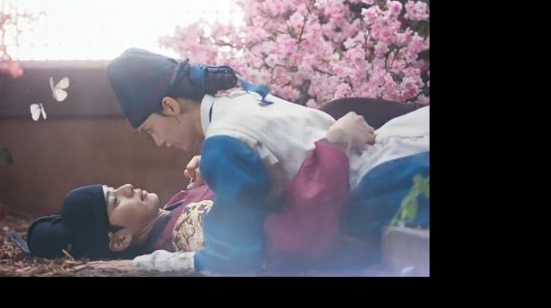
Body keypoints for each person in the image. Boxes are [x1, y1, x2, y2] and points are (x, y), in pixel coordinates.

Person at [95, 48, 429, 274]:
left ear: (170, 106)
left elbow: (232, 256)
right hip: (395, 145)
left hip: (382, 188)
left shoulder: (223, 144)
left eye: (150, 131)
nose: (159, 142)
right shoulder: (236, 96)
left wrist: (147, 264)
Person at [25, 111, 387, 273]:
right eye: (115, 200)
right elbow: (292, 235)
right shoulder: (190, 231)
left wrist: (216, 170)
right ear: (119, 241)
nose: (127, 186)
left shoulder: (175, 210)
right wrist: (334, 147)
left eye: (114, 187)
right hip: (365, 208)